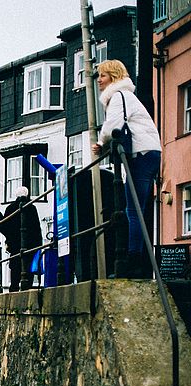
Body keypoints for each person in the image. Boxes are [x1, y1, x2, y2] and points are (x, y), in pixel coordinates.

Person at [92, 59, 161, 278]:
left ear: (113, 76)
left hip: (140, 154)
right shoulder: (128, 97)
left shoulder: (119, 96)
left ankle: (132, 262)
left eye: (102, 76)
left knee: (133, 209)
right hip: (149, 152)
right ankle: (137, 261)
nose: (99, 81)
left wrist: (101, 144)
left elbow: (113, 124)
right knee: (137, 207)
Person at [1, 186, 43, 291]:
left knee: (15, 265)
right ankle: (27, 287)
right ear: (27, 195)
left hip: (14, 243)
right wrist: (39, 244)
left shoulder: (10, 208)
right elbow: (36, 227)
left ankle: (14, 287)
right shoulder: (31, 207)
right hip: (30, 243)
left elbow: (4, 226)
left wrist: (9, 238)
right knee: (28, 265)